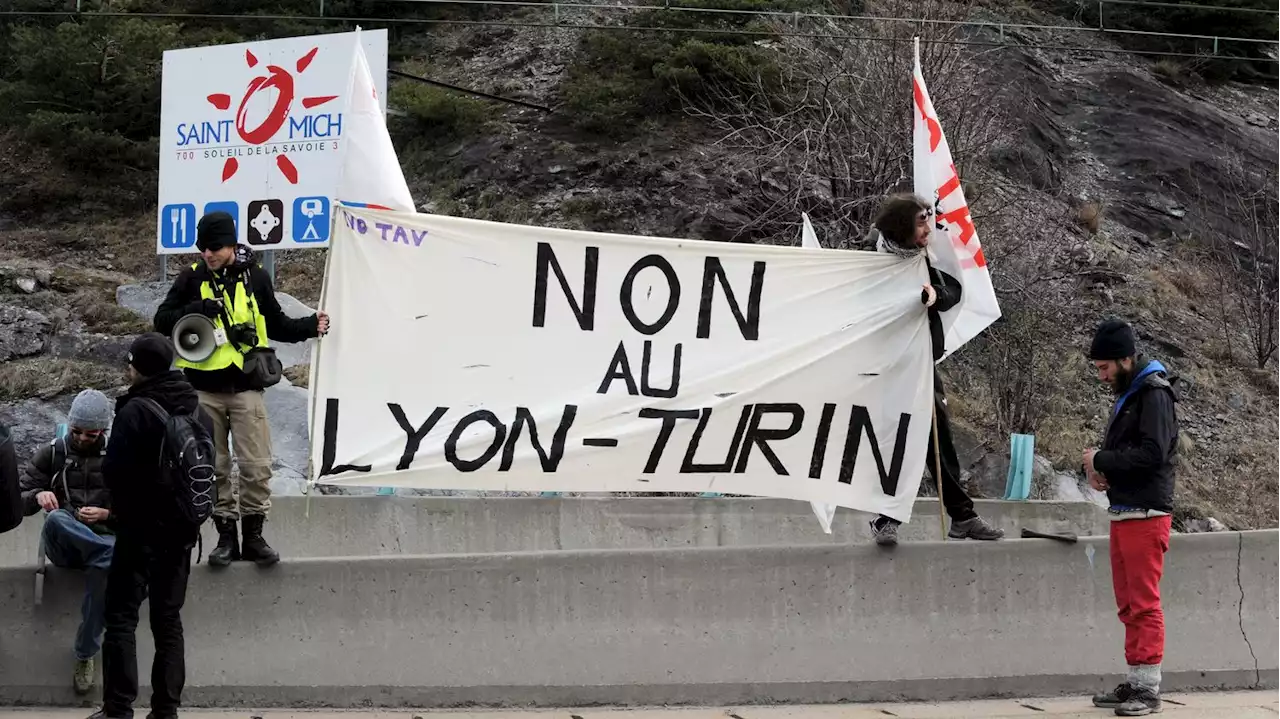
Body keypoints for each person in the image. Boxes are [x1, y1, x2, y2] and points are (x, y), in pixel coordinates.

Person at [153, 211, 328, 567]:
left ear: (232, 243)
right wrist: (196, 308)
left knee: (256, 464)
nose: (208, 254)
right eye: (203, 247)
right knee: (212, 466)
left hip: (248, 386)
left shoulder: (256, 276)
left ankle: (254, 537)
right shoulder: (191, 278)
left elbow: (276, 322)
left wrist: (311, 325)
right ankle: (225, 539)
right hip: (203, 390)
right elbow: (162, 321)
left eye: (215, 247)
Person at [865, 193, 1004, 546]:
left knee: (937, 439)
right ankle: (886, 517)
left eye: (929, 219)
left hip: (921, 360)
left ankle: (962, 517)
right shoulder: (872, 256)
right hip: (886, 364)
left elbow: (954, 288)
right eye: (922, 222)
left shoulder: (928, 255)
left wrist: (934, 296)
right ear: (901, 228)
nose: (930, 229)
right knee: (896, 439)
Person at [91, 333, 210, 719]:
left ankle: (118, 709)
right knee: (168, 620)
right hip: (182, 532)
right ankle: (166, 711)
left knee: (122, 617)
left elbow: (115, 473)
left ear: (137, 367)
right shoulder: (196, 409)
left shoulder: (135, 410)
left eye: (130, 364)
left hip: (140, 529)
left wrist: (119, 513)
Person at [1084, 319, 1179, 717]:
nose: (1103, 376)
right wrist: (1103, 471)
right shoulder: (1134, 391)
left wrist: (1101, 459)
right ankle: (1137, 679)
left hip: (1146, 512)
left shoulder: (1153, 394)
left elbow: (1153, 453)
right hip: (1127, 510)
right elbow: (1137, 454)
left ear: (1126, 359)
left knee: (1142, 603)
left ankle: (1147, 689)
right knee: (1128, 603)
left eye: (1106, 368)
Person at [19, 389, 115, 694]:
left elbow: (143, 507)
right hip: (66, 543)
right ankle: (113, 553)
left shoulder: (119, 456)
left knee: (106, 562)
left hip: (103, 540)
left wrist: (107, 514)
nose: (83, 438)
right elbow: (17, 499)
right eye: (77, 432)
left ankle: (85, 654)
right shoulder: (53, 452)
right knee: (57, 519)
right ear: (69, 425)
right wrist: (37, 495)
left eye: (91, 433)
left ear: (103, 430)